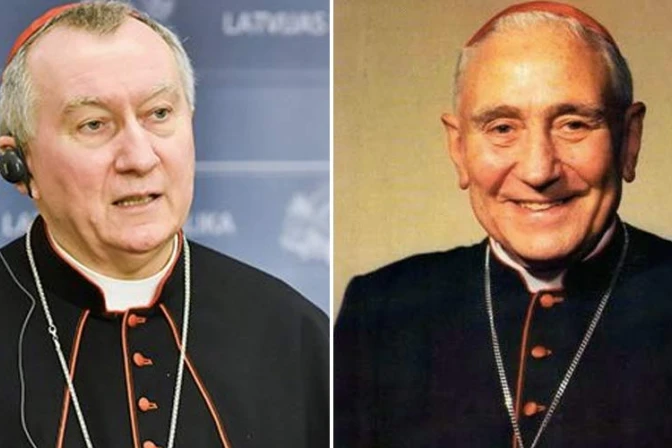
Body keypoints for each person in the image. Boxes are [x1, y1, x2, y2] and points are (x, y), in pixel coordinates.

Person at [335, 1, 672, 447]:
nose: (538, 170)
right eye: (502, 128)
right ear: (458, 148)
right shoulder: (380, 310)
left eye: (573, 124)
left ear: (629, 139)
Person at [0, 2, 327, 447]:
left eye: (158, 114)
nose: (139, 158)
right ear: (20, 164)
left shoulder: (293, 331)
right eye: (94, 124)